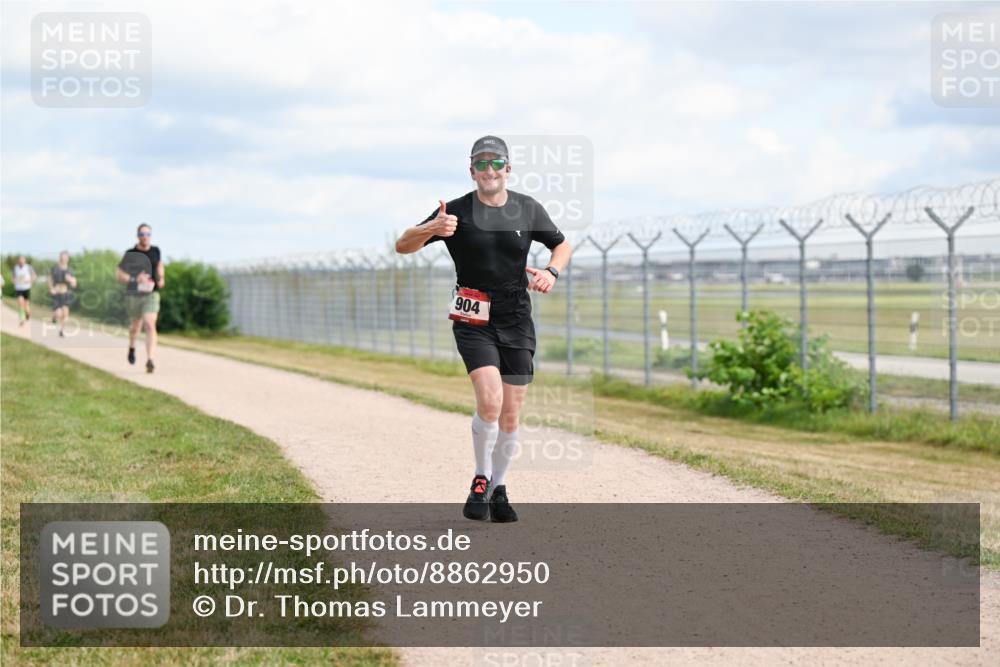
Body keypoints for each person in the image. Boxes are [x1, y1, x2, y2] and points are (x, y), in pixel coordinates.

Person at [395, 135, 572, 523]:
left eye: (497, 163)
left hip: (516, 315)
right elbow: (403, 245)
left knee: (511, 414)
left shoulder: (527, 208)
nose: (489, 170)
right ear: (472, 170)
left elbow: (562, 245)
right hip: (473, 317)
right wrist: (433, 229)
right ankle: (480, 478)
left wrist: (551, 272)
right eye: (482, 163)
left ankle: (499, 488)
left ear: (508, 169)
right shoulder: (454, 212)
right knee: (489, 400)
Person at [117, 223, 164, 373]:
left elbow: (160, 265)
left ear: (151, 235)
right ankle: (132, 347)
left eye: (148, 234)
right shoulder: (130, 253)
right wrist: (135, 279)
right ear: (138, 236)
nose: (145, 237)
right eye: (142, 234)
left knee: (150, 324)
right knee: (135, 327)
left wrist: (161, 277)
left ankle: (150, 359)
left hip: (151, 294)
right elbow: (119, 275)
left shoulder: (156, 251)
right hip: (134, 295)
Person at [49, 251, 78, 337]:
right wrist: (51, 288)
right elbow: (50, 279)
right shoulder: (55, 268)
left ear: (68, 259)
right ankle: (54, 317)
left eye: (65, 258)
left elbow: (74, 283)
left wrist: (72, 281)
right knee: (59, 313)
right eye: (62, 257)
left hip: (65, 294)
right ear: (60, 258)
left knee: (65, 314)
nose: (64, 259)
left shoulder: (70, 270)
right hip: (57, 293)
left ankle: (61, 331)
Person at [12, 256, 37, 326]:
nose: (21, 262)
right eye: (20, 261)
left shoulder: (29, 267)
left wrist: (28, 281)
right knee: (20, 304)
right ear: (18, 261)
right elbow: (13, 277)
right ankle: (22, 319)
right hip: (18, 289)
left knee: (26, 305)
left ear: (25, 261)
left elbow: (34, 277)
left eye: (22, 261)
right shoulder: (15, 268)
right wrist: (14, 281)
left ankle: (28, 314)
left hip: (26, 288)